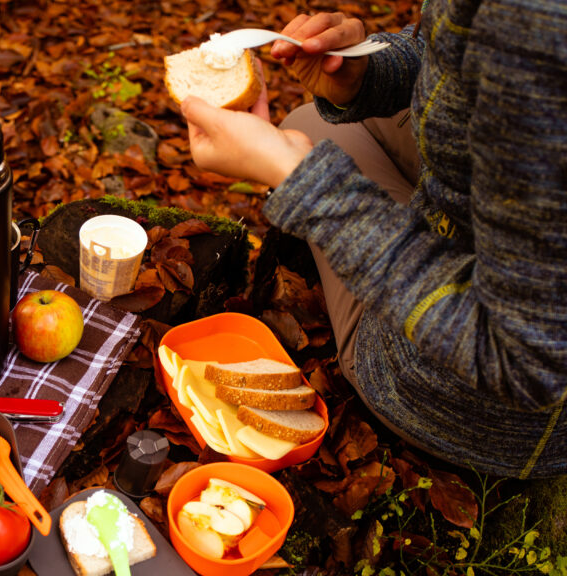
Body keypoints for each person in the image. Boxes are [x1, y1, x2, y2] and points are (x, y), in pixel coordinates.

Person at [180, 2, 567, 478]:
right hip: (487, 220)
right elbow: (449, 51)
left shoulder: (540, 32)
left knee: (308, 132)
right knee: (312, 118)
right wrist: (368, 71)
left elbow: (524, 358)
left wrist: (306, 183)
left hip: (480, 401)